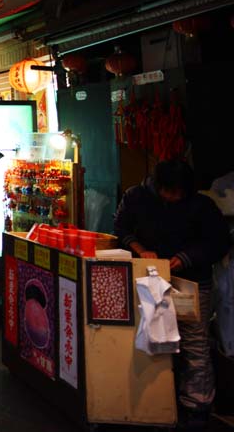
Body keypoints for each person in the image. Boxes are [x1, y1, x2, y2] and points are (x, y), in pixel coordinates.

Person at [114, 159, 231, 430]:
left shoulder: (202, 205)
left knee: (194, 344)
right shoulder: (136, 197)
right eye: (166, 190)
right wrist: (139, 248)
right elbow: (120, 228)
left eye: (177, 192)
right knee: (149, 339)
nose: (170, 197)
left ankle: (197, 406)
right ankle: (154, 404)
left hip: (190, 284)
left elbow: (219, 243)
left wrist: (185, 258)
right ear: (156, 185)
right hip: (146, 280)